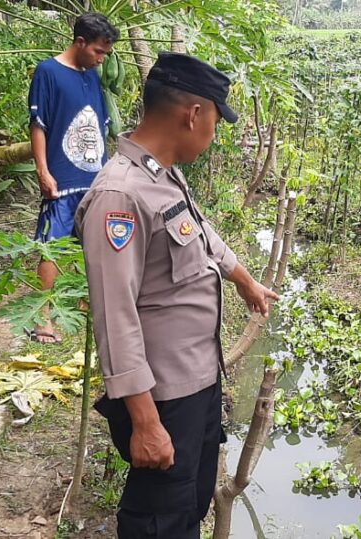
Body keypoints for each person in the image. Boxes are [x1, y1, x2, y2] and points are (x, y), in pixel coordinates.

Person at [75, 52, 279, 539]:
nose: (214, 131)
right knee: (158, 520)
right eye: (216, 119)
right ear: (194, 113)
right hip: (163, 397)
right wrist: (145, 422)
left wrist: (243, 278)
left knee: (188, 504)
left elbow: (199, 231)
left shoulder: (161, 174)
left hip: (198, 381)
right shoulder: (120, 197)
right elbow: (115, 315)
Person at [27, 12, 119, 343]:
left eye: (106, 54)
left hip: (95, 178)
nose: (101, 59)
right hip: (63, 179)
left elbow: (100, 126)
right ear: (80, 42)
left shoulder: (93, 77)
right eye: (98, 51)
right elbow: (39, 125)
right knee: (52, 246)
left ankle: (83, 302)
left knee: (95, 244)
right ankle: (43, 318)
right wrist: (43, 170)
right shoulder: (47, 72)